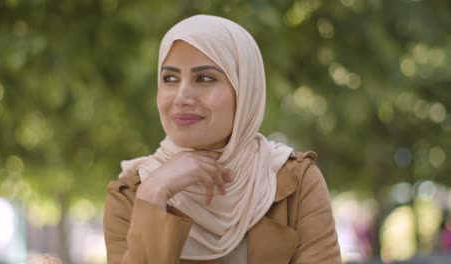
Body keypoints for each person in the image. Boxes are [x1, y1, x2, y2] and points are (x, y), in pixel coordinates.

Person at [103, 14, 341, 263]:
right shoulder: (132, 195)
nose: (182, 97)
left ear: (245, 89)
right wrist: (155, 193)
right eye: (170, 79)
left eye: (205, 78)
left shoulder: (295, 179)